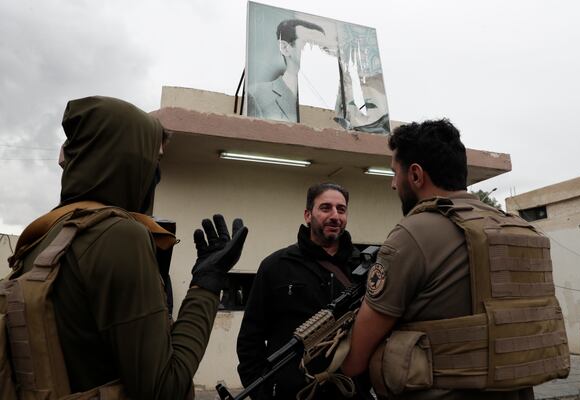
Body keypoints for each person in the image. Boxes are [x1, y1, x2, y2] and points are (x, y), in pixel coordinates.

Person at [0, 96, 248, 399]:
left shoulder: (43, 240)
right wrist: (206, 285)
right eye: (154, 160)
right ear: (130, 160)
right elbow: (164, 389)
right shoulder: (119, 236)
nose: (156, 174)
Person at [341, 119, 568, 399]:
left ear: (415, 175)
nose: (392, 184)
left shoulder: (412, 234)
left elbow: (354, 360)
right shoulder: (518, 229)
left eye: (393, 173)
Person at [237, 183, 372, 399]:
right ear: (308, 215)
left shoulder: (366, 270)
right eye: (326, 208)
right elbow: (249, 339)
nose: (335, 216)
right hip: (293, 393)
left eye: (341, 209)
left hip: (349, 391)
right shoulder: (276, 266)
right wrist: (265, 393)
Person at [247, 19, 326, 123]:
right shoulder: (257, 94)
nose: (321, 54)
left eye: (324, 48)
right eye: (310, 44)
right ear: (285, 48)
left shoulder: (328, 104)